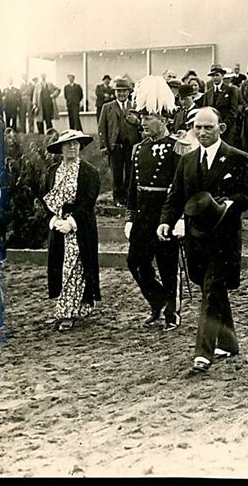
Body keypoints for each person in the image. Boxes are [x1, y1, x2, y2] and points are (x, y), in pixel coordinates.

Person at [157, 107, 248, 373]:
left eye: (208, 128)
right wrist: (166, 222)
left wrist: (230, 203)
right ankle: (229, 343)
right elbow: (176, 196)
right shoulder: (187, 160)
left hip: (223, 240)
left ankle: (203, 354)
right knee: (211, 291)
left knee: (212, 291)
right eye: (198, 128)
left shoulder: (237, 158)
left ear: (220, 128)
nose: (202, 133)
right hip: (196, 240)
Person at [125, 77, 182, 331]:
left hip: (165, 209)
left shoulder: (177, 147)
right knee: (134, 261)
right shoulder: (138, 149)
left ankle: (172, 311)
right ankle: (157, 299)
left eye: (148, 118)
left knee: (168, 263)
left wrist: (178, 217)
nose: (143, 123)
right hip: (143, 211)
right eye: (143, 117)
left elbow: (181, 186)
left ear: (163, 119)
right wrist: (129, 216)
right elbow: (132, 185)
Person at [41, 129, 101, 332]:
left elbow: (89, 200)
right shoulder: (52, 172)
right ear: (60, 149)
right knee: (61, 265)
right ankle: (77, 306)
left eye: (76, 144)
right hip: (59, 225)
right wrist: (53, 220)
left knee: (74, 267)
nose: (72, 148)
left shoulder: (88, 171)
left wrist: (72, 221)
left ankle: (67, 312)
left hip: (80, 225)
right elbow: (45, 198)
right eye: (68, 144)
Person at [98, 78, 141, 206]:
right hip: (115, 146)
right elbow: (102, 127)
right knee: (116, 174)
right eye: (119, 91)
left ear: (128, 92)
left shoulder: (135, 107)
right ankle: (117, 199)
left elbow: (143, 126)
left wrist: (137, 122)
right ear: (115, 93)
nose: (121, 94)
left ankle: (128, 198)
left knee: (130, 173)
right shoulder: (107, 107)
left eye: (124, 91)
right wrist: (103, 145)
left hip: (131, 146)